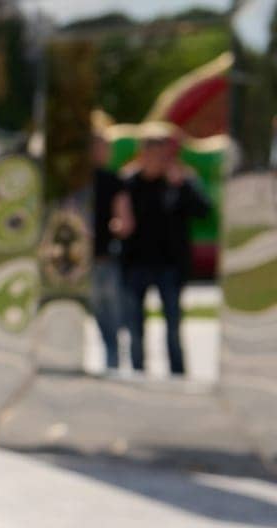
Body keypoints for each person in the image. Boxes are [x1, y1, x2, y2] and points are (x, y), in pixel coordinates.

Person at [120, 123, 210, 377]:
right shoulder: (128, 182)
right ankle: (137, 372)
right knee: (135, 325)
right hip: (136, 263)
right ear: (142, 154)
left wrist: (182, 186)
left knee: (173, 324)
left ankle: (178, 373)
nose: (158, 161)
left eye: (163, 155)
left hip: (170, 265)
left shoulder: (181, 180)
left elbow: (204, 211)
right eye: (153, 154)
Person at [90, 128, 134, 373]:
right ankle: (112, 363)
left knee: (106, 317)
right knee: (110, 318)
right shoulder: (112, 180)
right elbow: (125, 223)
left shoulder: (78, 181)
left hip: (97, 258)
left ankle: (112, 362)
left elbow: (124, 222)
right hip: (102, 257)